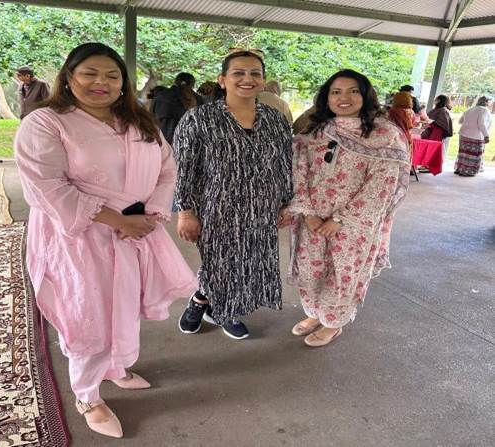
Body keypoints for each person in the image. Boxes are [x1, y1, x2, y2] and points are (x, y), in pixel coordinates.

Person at [14, 42, 196, 438]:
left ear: (123, 83)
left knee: (124, 304)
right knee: (88, 314)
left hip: (134, 231)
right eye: (90, 73)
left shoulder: (138, 121)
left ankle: (114, 366)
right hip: (78, 237)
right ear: (69, 77)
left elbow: (167, 168)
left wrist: (153, 214)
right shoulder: (46, 123)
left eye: (112, 76)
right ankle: (87, 394)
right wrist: (117, 220)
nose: (102, 82)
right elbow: (47, 186)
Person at [284, 69, 410, 347]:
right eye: (336, 92)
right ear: (326, 97)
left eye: (353, 91)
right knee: (310, 269)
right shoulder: (315, 129)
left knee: (342, 272)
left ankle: (333, 322)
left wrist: (341, 219)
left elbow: (382, 184)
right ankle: (316, 313)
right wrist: (307, 211)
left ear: (365, 96)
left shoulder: (385, 134)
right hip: (313, 219)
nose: (344, 98)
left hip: (354, 223)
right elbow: (298, 169)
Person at [173, 49, 293, 340]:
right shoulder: (198, 119)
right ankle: (225, 310)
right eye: (238, 73)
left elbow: (285, 163)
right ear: (223, 79)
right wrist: (185, 212)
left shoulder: (275, 120)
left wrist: (286, 202)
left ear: (263, 81)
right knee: (221, 260)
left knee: (249, 259)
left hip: (262, 206)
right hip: (215, 206)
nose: (247, 79)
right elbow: (183, 167)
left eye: (255, 73)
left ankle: (204, 301)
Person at [150, 72, 203, 144]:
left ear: (176, 81)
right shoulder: (197, 99)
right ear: (192, 84)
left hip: (161, 142)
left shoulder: (160, 96)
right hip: (187, 143)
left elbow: (151, 117)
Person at [454, 96, 492, 176]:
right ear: (486, 102)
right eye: (490, 102)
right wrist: (486, 135)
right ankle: (468, 171)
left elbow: (460, 121)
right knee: (473, 154)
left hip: (463, 134)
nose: (490, 103)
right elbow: (481, 124)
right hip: (475, 135)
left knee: (463, 153)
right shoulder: (484, 110)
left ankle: (460, 169)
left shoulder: (470, 109)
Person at [422, 94, 453, 162]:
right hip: (430, 131)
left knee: (432, 148)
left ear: (439, 100)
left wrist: (431, 123)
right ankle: (426, 164)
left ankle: (429, 165)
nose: (435, 100)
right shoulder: (437, 109)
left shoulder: (443, 110)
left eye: (436, 99)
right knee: (429, 148)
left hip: (436, 133)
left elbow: (443, 123)